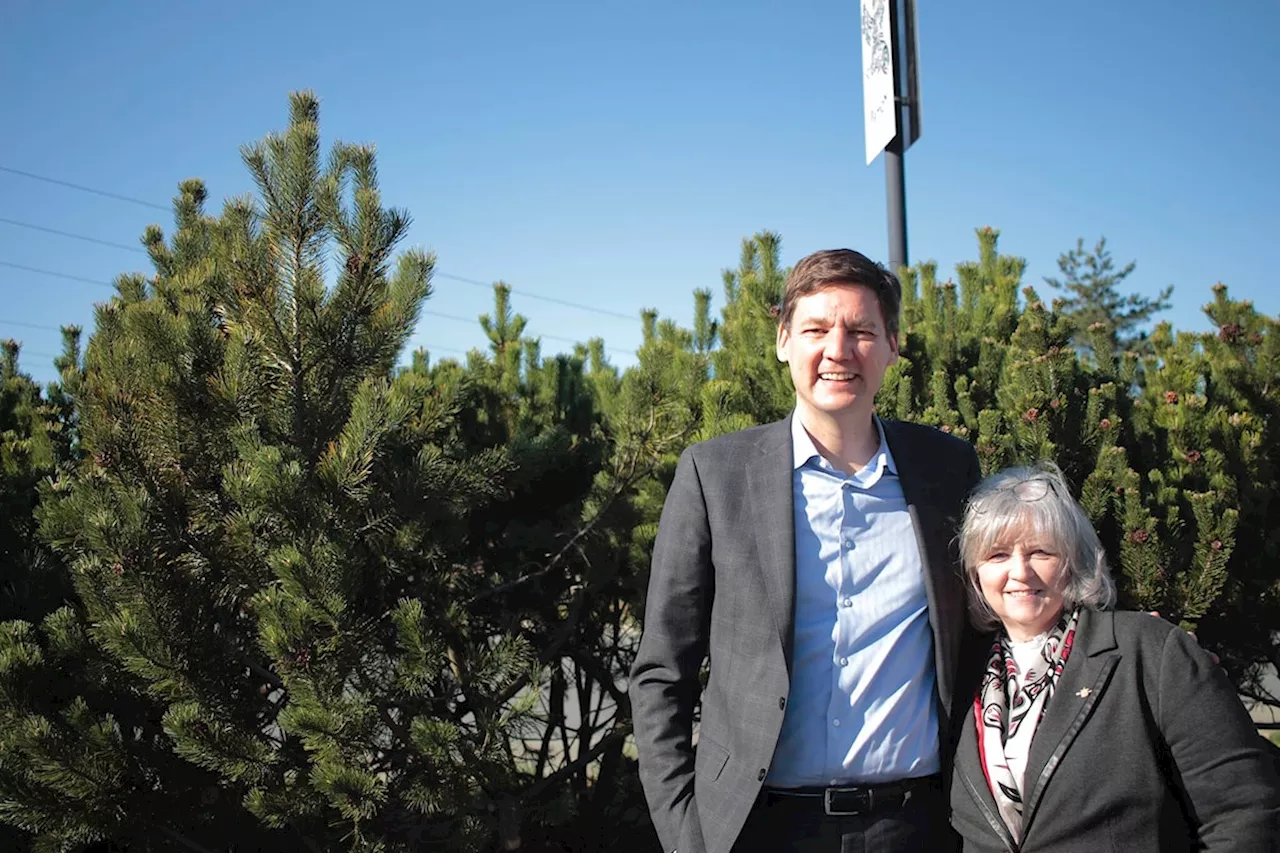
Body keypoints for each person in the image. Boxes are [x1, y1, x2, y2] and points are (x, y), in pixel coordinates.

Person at [629, 248, 983, 853]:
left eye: (861, 330)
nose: (838, 350)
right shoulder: (715, 474)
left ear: (893, 345)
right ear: (783, 341)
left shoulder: (947, 471)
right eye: (817, 329)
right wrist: (687, 833)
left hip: (916, 826)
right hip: (756, 828)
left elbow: (988, 629)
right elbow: (663, 671)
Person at [949, 463, 1280, 852]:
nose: (1019, 572)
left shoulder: (1148, 651)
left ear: (1073, 559)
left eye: (1040, 551)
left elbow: (1243, 811)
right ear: (975, 572)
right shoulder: (958, 677)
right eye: (998, 555)